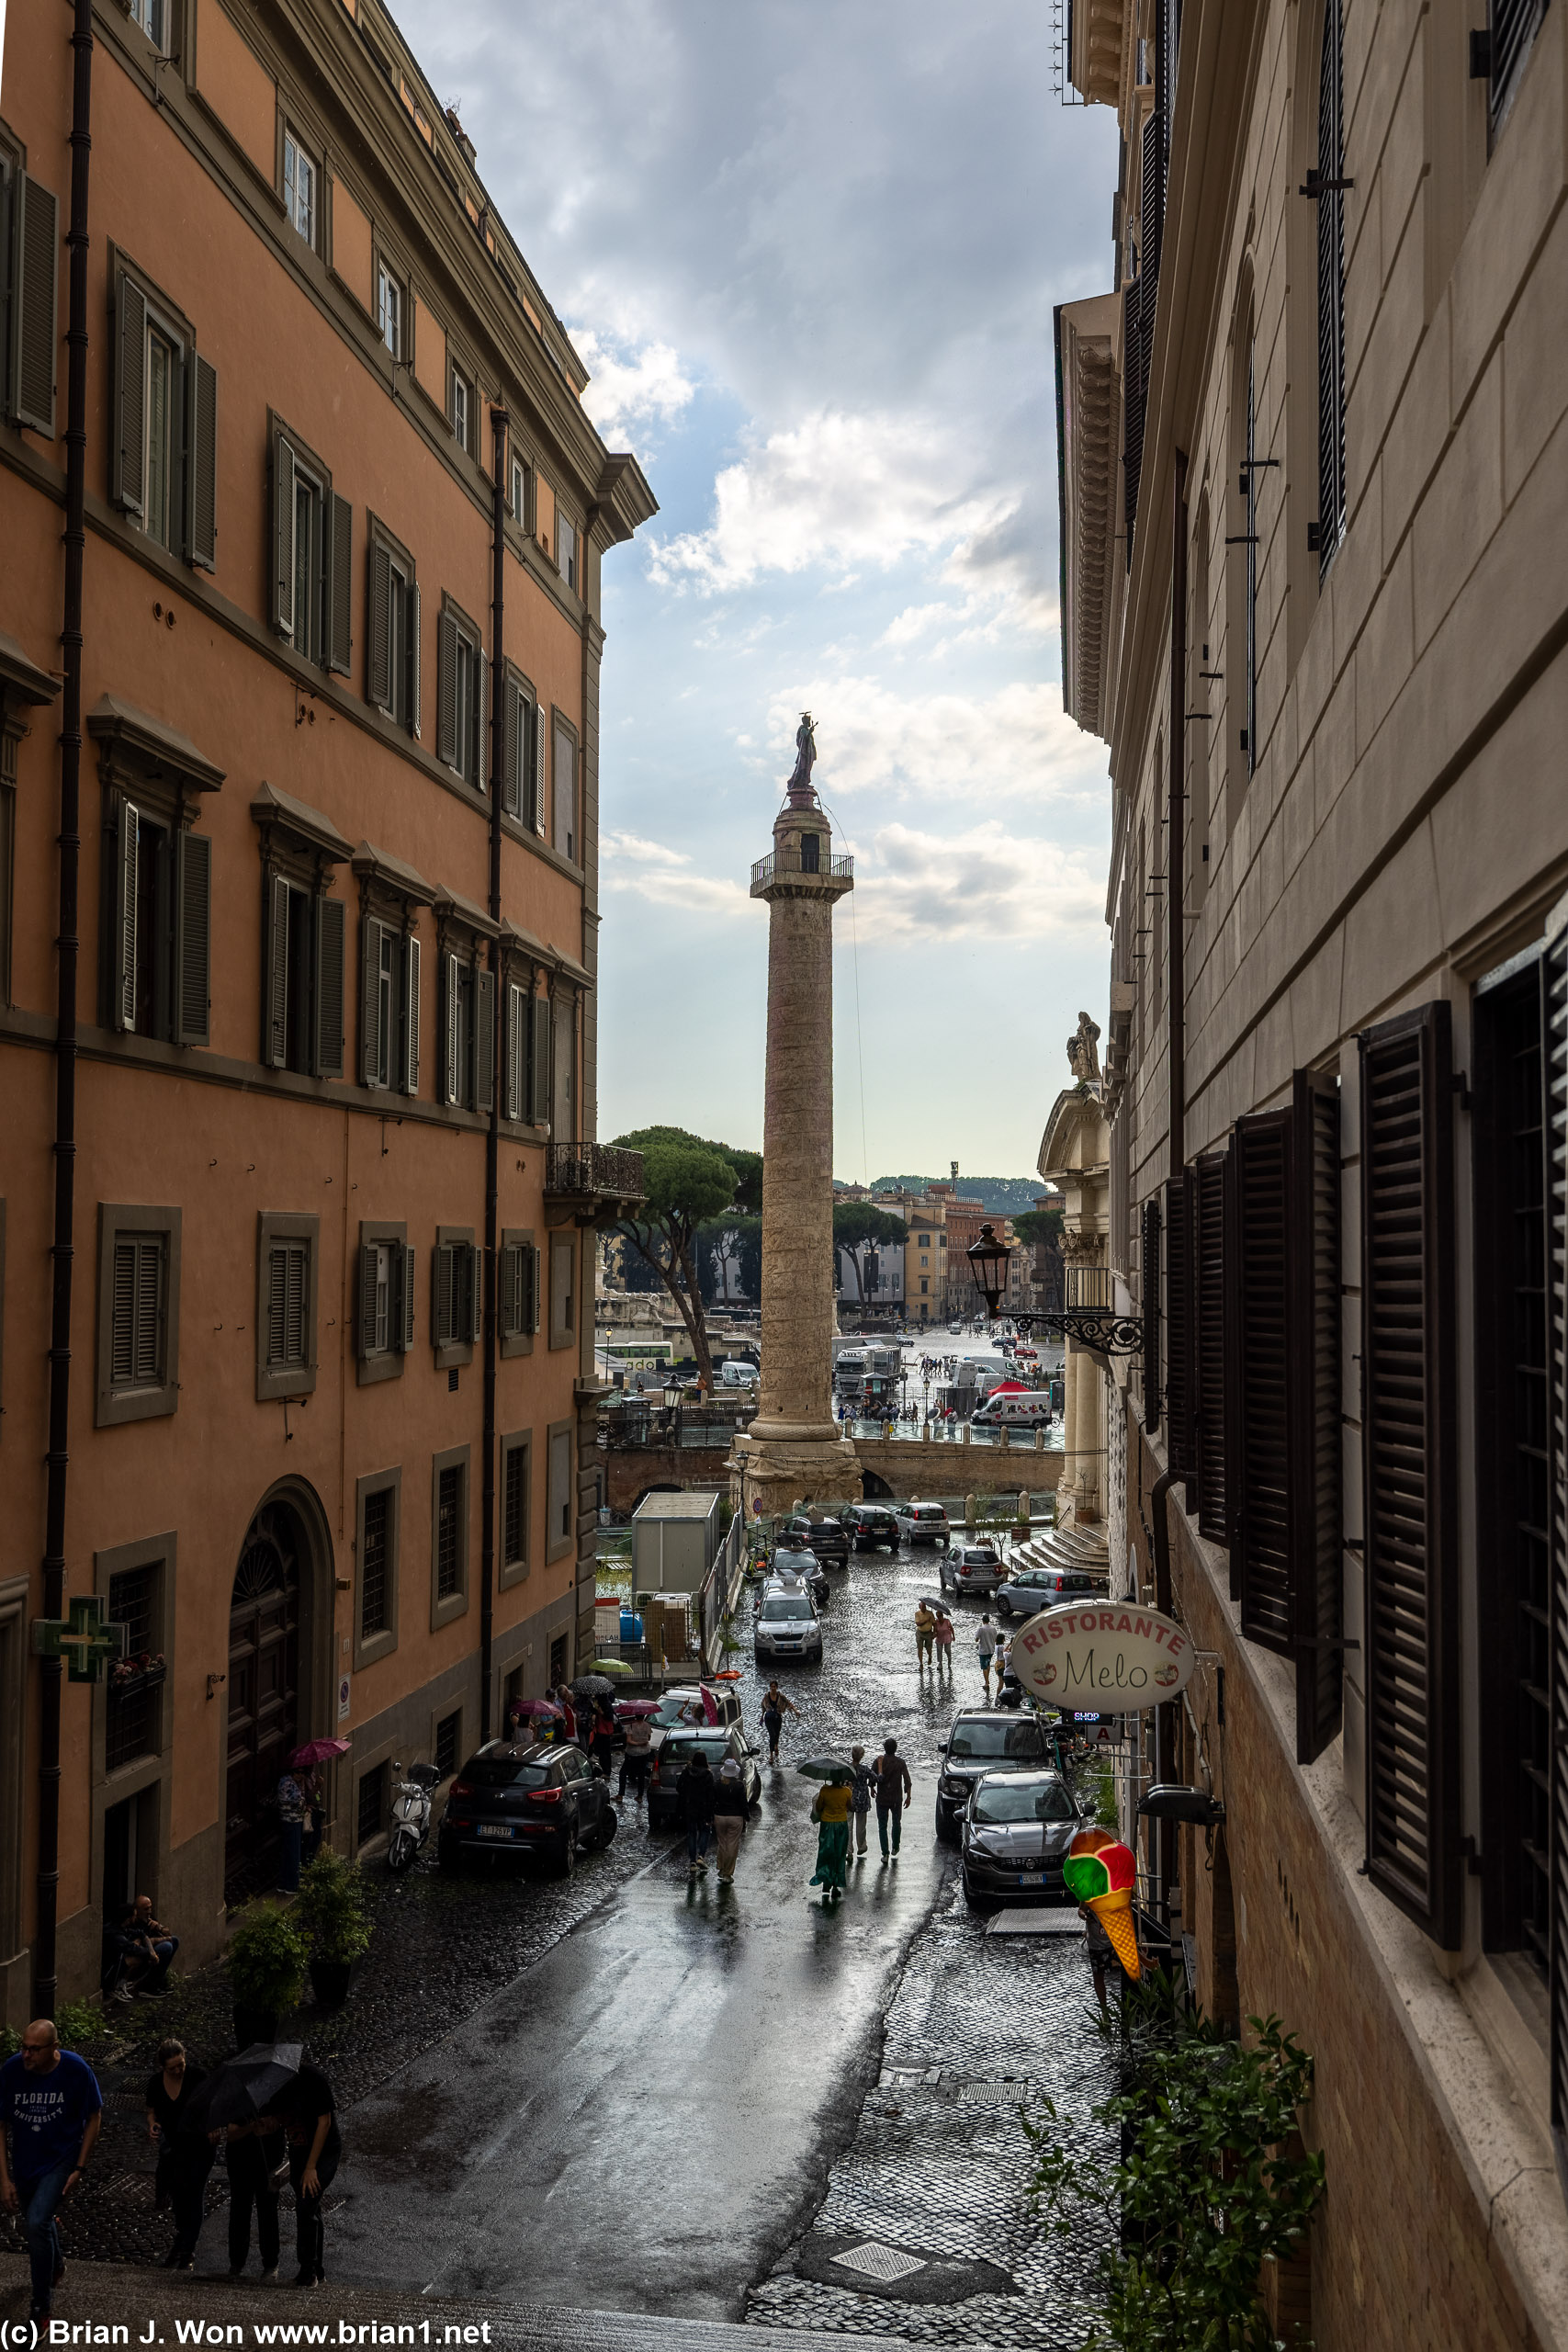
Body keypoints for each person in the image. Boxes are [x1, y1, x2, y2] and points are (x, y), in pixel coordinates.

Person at [0, 2018, 103, 2323]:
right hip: (25, 2161)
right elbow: (1, 2124)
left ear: (54, 2048)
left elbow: (95, 2117)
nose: (26, 2055)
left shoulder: (75, 2070)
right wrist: (3, 2178)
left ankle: (41, 2305)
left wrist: (80, 2168)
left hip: (60, 2159)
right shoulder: (12, 2070)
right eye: (24, 2048)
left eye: (34, 2050)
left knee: (35, 2222)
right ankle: (56, 2264)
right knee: (40, 2221)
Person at [263, 2059, 340, 2289]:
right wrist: (268, 2124)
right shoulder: (273, 2087)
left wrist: (311, 2167)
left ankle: (308, 2270)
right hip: (299, 2149)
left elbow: (324, 2124)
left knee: (306, 2203)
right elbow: (280, 2120)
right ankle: (317, 2268)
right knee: (310, 2205)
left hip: (324, 2149)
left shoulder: (312, 2078)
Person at [144, 2038, 213, 2269]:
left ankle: (185, 2249)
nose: (177, 2070)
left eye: (180, 2065)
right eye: (171, 2067)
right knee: (180, 2198)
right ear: (162, 2066)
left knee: (193, 2194)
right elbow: (151, 2112)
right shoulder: (155, 2083)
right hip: (173, 2149)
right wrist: (153, 2125)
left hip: (199, 2146)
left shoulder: (198, 2077)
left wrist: (213, 2126)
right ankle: (183, 2243)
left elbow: (214, 2105)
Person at [220, 2115, 282, 2284]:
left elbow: (284, 2120)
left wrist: (274, 2123)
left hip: (268, 2159)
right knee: (240, 2211)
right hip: (240, 2161)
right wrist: (252, 2127)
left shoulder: (276, 2096)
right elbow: (232, 2134)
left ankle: (270, 2263)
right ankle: (237, 2264)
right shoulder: (238, 2100)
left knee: (268, 2212)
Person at [808, 1774, 852, 1900]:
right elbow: (850, 1808)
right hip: (841, 1826)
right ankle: (835, 1885)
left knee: (826, 1854)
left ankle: (825, 1882)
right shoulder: (846, 1792)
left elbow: (819, 1807)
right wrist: (850, 1791)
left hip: (827, 1825)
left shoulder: (825, 1790)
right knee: (839, 1855)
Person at [678, 1746, 716, 1875]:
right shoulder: (708, 1775)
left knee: (692, 1833)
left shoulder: (686, 1772)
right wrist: (711, 1813)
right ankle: (701, 1856)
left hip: (690, 1807)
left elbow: (679, 1787)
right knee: (705, 1830)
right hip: (704, 1808)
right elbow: (711, 1796)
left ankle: (692, 1861)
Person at [874, 1737, 913, 1859]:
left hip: (882, 1798)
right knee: (896, 1823)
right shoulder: (900, 1762)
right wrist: (908, 1796)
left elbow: (873, 1776)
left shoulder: (879, 1761)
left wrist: (871, 1787)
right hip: (896, 1798)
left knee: (882, 1825)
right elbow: (907, 1780)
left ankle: (885, 1853)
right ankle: (895, 1846)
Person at [711, 1758, 749, 1883]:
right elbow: (743, 1803)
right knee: (732, 1845)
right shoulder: (739, 1786)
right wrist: (746, 1817)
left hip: (720, 1816)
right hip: (735, 1817)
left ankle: (721, 1867)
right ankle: (728, 1873)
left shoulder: (717, 1784)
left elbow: (712, 1801)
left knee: (722, 1843)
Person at [276, 1767, 309, 1894]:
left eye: (303, 1773)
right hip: (292, 1821)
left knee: (288, 1853)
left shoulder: (287, 1783)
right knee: (294, 1853)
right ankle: (292, 1885)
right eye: (298, 1773)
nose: (301, 1776)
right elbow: (297, 1802)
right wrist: (303, 1797)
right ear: (292, 1772)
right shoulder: (288, 1784)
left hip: (288, 1821)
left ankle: (283, 1883)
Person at [759, 1679, 798, 1766]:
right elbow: (763, 1706)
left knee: (776, 1734)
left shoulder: (780, 1696)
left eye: (774, 1687)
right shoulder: (766, 1696)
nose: (773, 1688)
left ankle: (776, 1745)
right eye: (771, 1687)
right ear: (770, 1687)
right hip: (769, 1718)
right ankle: (771, 1755)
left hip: (777, 1718)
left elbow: (788, 1703)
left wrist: (795, 1711)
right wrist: (762, 1716)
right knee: (772, 1735)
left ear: (776, 1687)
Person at [618, 1712, 653, 1804]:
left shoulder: (631, 1726)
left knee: (623, 1772)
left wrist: (637, 1743)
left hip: (632, 1753)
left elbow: (629, 1741)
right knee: (641, 1773)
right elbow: (649, 1738)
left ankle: (621, 1794)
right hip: (645, 1752)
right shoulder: (648, 1725)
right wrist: (642, 1742)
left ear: (635, 1716)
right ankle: (640, 1796)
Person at [848, 1746, 874, 1857]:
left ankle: (849, 1851)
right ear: (862, 1756)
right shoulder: (864, 1769)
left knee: (848, 1825)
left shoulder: (848, 1768)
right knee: (861, 1825)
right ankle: (861, 1846)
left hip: (849, 1797)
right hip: (862, 1799)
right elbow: (876, 1777)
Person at [590, 1699, 615, 1780]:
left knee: (605, 1753)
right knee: (604, 1753)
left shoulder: (606, 1705)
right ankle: (605, 1771)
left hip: (604, 1732)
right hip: (602, 1731)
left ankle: (606, 1772)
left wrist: (601, 1712)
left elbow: (609, 1717)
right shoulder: (603, 1703)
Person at [976, 1613, 999, 1697]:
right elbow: (996, 1639)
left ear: (983, 1621)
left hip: (983, 1651)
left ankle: (986, 1683)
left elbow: (976, 1639)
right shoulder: (993, 1629)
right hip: (991, 1650)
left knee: (984, 1666)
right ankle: (987, 1680)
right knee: (988, 1664)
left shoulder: (981, 1629)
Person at [914, 1601, 936, 1668]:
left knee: (928, 1649)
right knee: (919, 1648)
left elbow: (934, 1624)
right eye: (922, 1607)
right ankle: (921, 1664)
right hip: (920, 1633)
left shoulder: (930, 1613)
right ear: (919, 1607)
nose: (924, 1609)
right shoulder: (917, 1614)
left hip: (928, 1633)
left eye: (925, 1607)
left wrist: (934, 1633)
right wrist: (926, 1620)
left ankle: (930, 1656)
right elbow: (918, 1623)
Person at [933, 1609, 954, 1675]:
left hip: (947, 1637)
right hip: (939, 1638)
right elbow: (935, 1631)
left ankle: (949, 1658)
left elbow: (951, 1628)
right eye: (937, 1616)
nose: (938, 1617)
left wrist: (953, 1636)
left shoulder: (947, 1621)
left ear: (942, 1616)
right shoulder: (936, 1622)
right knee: (939, 1651)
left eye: (939, 1616)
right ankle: (940, 1663)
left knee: (947, 1650)